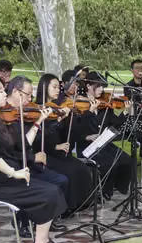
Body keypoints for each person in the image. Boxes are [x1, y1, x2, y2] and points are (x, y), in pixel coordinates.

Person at [0, 77, 68, 243]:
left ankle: (44, 240)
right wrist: (14, 173)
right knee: (49, 193)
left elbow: (21, 145)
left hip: (8, 179)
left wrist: (38, 122)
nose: (4, 94)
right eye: (0, 91)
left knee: (53, 189)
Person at [9, 75, 92, 216]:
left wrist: (63, 120)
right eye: (54, 87)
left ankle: (78, 204)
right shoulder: (34, 110)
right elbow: (39, 139)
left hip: (50, 152)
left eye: (58, 87)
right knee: (69, 172)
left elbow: (63, 135)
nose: (58, 90)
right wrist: (52, 127)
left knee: (81, 168)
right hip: (42, 153)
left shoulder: (54, 107)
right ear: (44, 87)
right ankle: (64, 208)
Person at [76, 72, 137, 198]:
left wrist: (125, 111)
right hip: (87, 146)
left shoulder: (105, 104)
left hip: (103, 144)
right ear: (88, 86)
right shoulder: (79, 104)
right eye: (98, 86)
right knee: (108, 163)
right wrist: (87, 136)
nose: (101, 89)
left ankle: (119, 187)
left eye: (102, 87)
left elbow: (115, 123)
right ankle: (105, 192)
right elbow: (76, 130)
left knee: (127, 160)